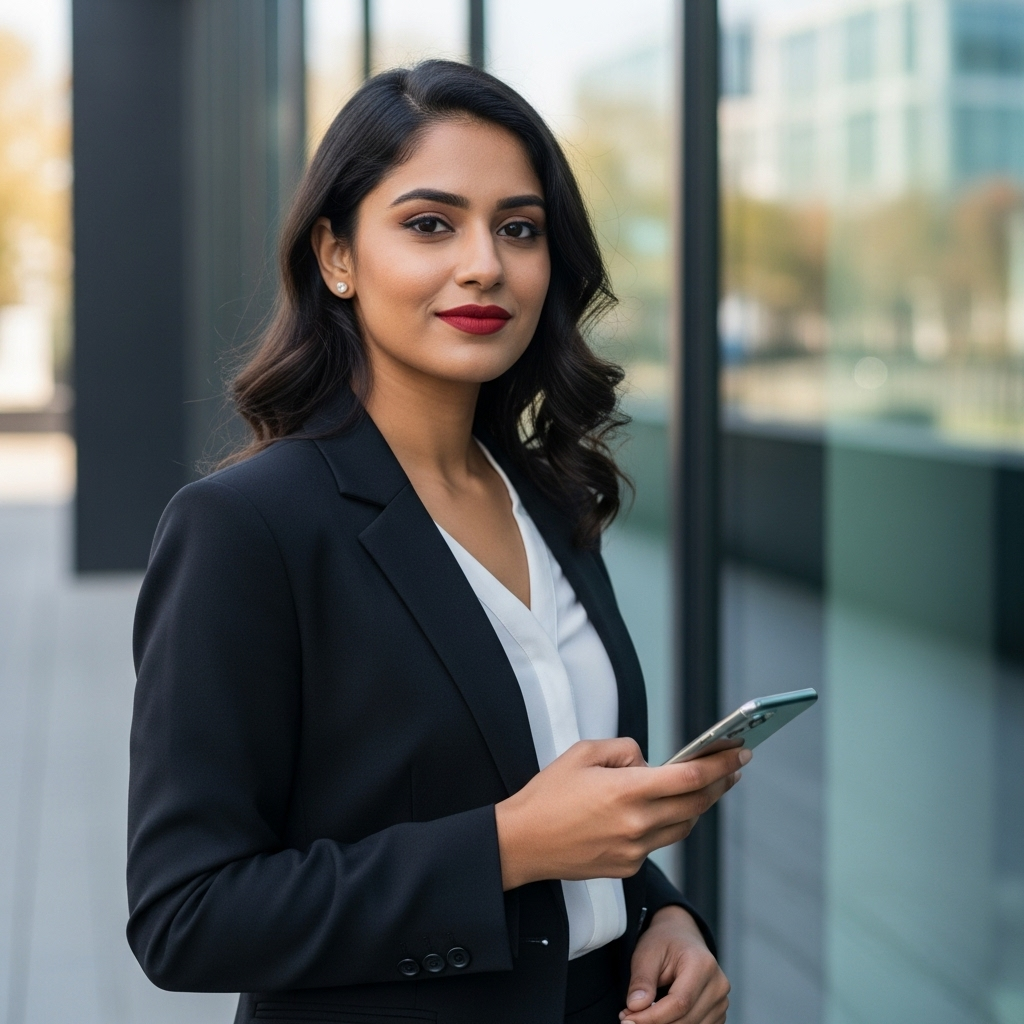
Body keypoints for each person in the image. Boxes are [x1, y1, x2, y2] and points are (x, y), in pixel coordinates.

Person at [126, 60, 749, 1024]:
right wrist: (508, 845)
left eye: (518, 228)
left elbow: (566, 811)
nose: (484, 265)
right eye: (429, 224)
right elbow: (187, 914)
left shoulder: (547, 496)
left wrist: (661, 917)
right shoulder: (247, 528)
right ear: (337, 256)